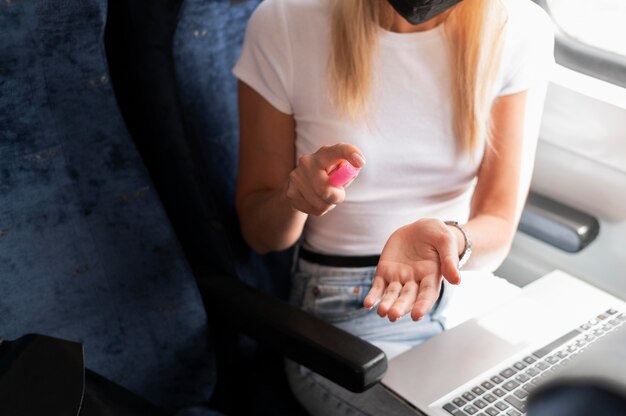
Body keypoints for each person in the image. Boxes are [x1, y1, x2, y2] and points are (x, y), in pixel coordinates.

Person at [233, 0, 554, 414]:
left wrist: (452, 240)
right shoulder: (284, 22)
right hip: (349, 311)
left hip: (466, 293)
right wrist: (294, 198)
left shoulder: (518, 26)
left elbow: (498, 225)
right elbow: (260, 234)